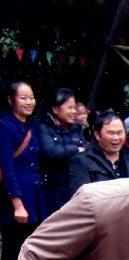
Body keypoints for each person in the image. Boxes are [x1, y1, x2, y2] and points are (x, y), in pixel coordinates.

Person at [1, 80, 48, 260]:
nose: (29, 102)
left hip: (36, 198)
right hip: (16, 201)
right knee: (14, 253)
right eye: (23, 98)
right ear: (11, 100)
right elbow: (7, 169)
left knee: (34, 251)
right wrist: (17, 203)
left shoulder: (32, 126)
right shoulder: (4, 127)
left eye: (31, 97)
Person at [67, 111, 129, 200]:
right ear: (97, 135)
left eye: (119, 133)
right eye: (111, 133)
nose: (116, 138)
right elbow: (80, 200)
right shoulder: (81, 161)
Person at [37, 87, 87, 217]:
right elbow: (51, 151)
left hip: (75, 188)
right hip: (53, 192)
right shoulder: (43, 127)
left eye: (74, 108)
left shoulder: (77, 129)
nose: (73, 112)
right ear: (55, 109)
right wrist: (75, 149)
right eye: (69, 108)